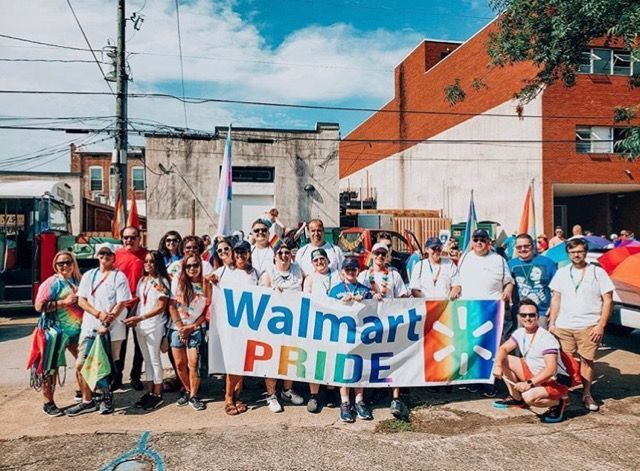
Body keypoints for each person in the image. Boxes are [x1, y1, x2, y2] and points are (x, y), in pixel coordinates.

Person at [548, 238, 614, 412]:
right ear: (568, 254)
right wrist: (552, 323)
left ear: (585, 252)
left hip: (589, 325)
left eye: (579, 251)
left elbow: (608, 301)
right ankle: (565, 394)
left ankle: (586, 393)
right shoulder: (562, 272)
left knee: (587, 360)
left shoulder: (597, 272)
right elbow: (556, 299)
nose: (576, 255)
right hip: (564, 325)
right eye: (572, 252)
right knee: (565, 361)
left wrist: (600, 325)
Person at [65, 243, 132, 416]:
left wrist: (107, 320)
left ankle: (105, 397)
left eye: (108, 253)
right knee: (81, 364)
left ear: (113, 256)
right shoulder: (89, 275)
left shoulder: (119, 277)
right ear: (97, 256)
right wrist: (98, 314)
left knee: (106, 364)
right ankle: (88, 400)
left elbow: (122, 302)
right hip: (90, 327)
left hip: (112, 329)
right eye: (102, 253)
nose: (105, 256)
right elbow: (81, 300)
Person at [492, 299, 570, 423]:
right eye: (524, 315)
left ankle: (559, 402)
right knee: (501, 358)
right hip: (533, 372)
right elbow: (503, 348)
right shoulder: (520, 332)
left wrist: (528, 383)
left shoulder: (546, 338)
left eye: (532, 315)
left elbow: (551, 369)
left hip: (553, 381)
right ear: (518, 317)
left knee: (529, 397)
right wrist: (497, 365)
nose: (527, 318)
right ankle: (517, 399)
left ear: (538, 317)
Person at [457, 229, 514, 397]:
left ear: (489, 241)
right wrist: (457, 287)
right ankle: (474, 381)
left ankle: (491, 382)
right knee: (472, 347)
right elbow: (457, 280)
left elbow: (509, 282)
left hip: (492, 312)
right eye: (476, 239)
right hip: (470, 311)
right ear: (472, 242)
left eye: (482, 239)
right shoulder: (465, 258)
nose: (479, 242)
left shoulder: (499, 260)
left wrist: (508, 291)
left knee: (491, 347)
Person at [357, 242, 410, 419]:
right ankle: (362, 398)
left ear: (387, 256)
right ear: (371, 255)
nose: (379, 256)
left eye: (383, 253)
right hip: (369, 323)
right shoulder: (364, 275)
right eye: (376, 253)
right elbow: (358, 295)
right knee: (365, 359)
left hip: (390, 323)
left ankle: (395, 398)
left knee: (394, 358)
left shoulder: (394, 275)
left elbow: (403, 296)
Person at [34, 250, 83, 416]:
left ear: (73, 263)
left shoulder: (78, 279)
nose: (64, 266)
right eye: (60, 263)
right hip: (56, 331)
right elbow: (39, 306)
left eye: (68, 262)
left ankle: (81, 391)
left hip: (77, 330)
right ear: (55, 266)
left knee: (83, 361)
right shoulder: (51, 283)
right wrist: (64, 302)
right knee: (50, 367)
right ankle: (48, 402)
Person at [259, 238, 305, 412]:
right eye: (281, 253)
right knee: (272, 359)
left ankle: (287, 390)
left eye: (287, 252)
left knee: (290, 358)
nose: (284, 255)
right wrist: (273, 292)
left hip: (293, 323)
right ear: (275, 256)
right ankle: (271, 395)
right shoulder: (268, 273)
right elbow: (262, 297)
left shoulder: (297, 270)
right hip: (273, 324)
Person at [214, 240, 259, 415]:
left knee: (242, 363)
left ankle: (237, 395)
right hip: (230, 326)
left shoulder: (254, 273)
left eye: (244, 252)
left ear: (249, 253)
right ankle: (228, 397)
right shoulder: (225, 271)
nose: (240, 255)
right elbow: (205, 283)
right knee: (233, 363)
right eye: (237, 252)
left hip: (248, 325)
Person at [123, 250, 171, 411]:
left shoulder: (163, 281)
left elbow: (160, 307)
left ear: (158, 264)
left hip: (154, 325)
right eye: (146, 261)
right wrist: (131, 317)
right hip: (140, 325)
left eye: (152, 261)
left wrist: (140, 318)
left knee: (155, 359)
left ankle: (157, 393)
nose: (148, 264)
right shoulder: (143, 280)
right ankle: (150, 391)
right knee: (146, 360)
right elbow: (138, 301)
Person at [327, 257, 373, 423]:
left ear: (358, 271)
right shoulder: (335, 290)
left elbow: (377, 308)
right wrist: (341, 302)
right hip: (342, 335)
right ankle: (345, 402)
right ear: (342, 272)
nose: (351, 272)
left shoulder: (364, 289)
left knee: (359, 366)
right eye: (348, 269)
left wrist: (368, 300)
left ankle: (359, 401)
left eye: (354, 269)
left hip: (360, 335)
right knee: (344, 367)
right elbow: (327, 308)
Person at [168, 255, 211, 411]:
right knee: (180, 364)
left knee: (193, 364)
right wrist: (181, 327)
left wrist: (191, 327)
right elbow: (172, 306)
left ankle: (194, 395)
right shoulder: (178, 283)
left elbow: (207, 311)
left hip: (196, 328)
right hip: (177, 328)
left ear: (200, 266)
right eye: (189, 266)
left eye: (195, 265)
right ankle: (187, 389)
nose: (192, 268)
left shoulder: (206, 284)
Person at [302, 247, 341, 413]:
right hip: (317, 323)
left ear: (328, 259)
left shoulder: (338, 275)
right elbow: (305, 300)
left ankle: (332, 392)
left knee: (333, 357)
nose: (320, 262)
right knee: (315, 358)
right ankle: (314, 395)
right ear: (312, 263)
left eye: (322, 259)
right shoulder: (310, 279)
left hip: (336, 322)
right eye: (316, 260)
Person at [114, 226, 148, 392]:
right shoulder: (116, 255)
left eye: (133, 237)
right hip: (121, 305)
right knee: (120, 342)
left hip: (139, 304)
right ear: (122, 239)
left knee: (139, 343)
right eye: (126, 237)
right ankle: (117, 376)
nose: (129, 240)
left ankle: (135, 376)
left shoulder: (146, 255)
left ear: (139, 239)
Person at [508, 234, 557, 329]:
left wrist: (553, 309)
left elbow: (556, 289)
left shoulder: (548, 262)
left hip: (542, 313)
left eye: (526, 246)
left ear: (533, 246)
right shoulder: (509, 264)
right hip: (519, 314)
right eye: (519, 247)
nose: (523, 249)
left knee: (541, 342)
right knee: (520, 342)